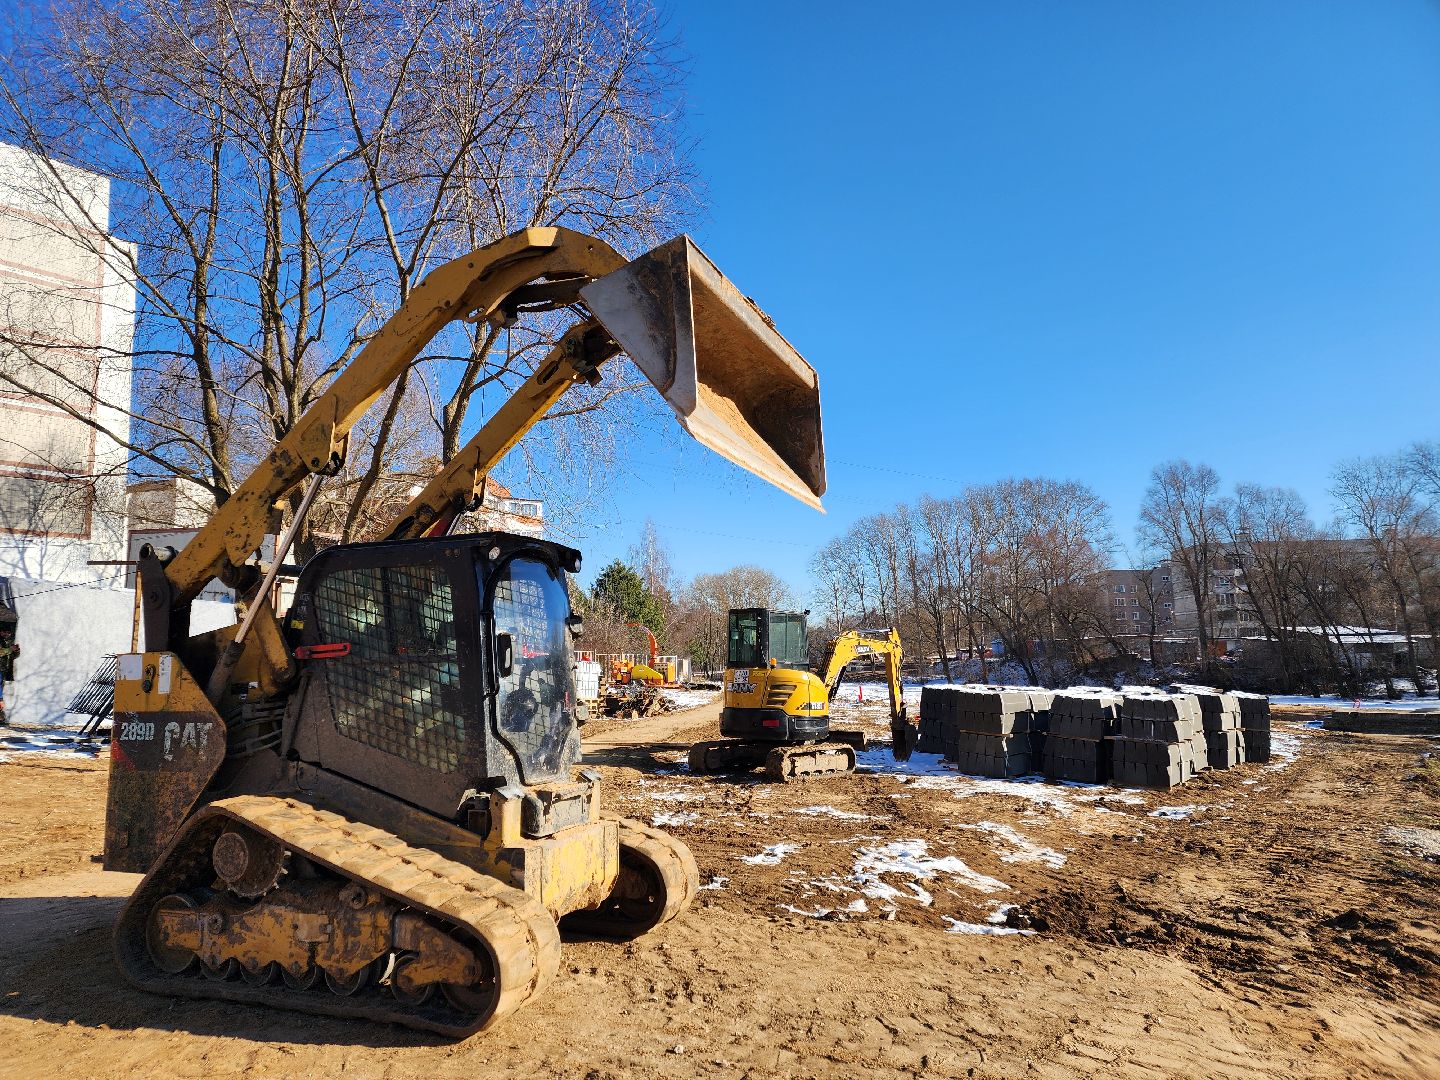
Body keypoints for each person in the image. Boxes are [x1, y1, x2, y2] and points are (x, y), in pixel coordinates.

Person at [0, 630, 18, 726]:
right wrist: (10, 649)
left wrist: (15, 651)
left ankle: (1, 717)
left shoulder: (6, 641)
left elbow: (11, 656)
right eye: (6, 632)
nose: (8, 634)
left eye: (9, 633)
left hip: (4, 670)